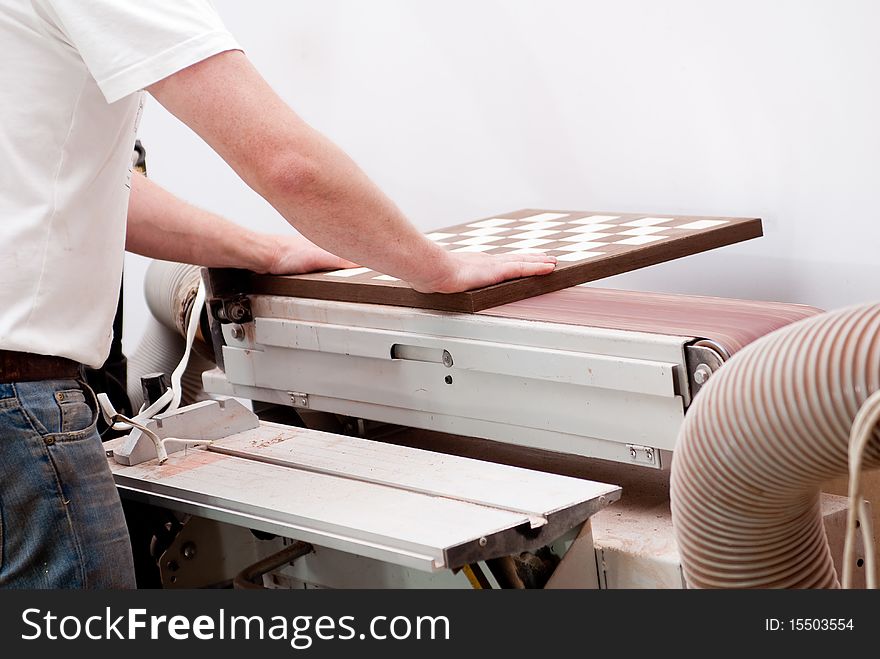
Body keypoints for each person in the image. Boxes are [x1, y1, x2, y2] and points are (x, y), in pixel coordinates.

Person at [0, 1, 556, 588]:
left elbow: (81, 190)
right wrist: (435, 270)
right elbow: (288, 164)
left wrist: (265, 252)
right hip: (19, 409)